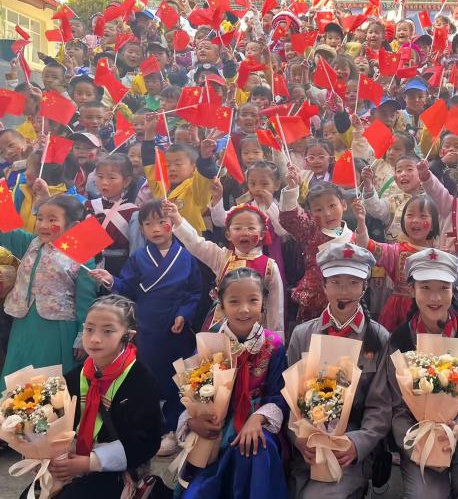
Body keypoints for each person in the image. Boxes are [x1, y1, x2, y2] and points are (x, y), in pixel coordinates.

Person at [88, 199, 202, 456]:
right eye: (148, 224)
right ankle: (149, 427)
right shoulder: (138, 258)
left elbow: (194, 291)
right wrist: (110, 280)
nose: (156, 229)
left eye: (162, 222)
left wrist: (184, 314)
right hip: (148, 326)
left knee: (177, 378)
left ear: (173, 223)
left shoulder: (186, 256)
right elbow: (127, 288)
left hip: (175, 328)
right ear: (141, 229)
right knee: (147, 376)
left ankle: (172, 428)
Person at [386, 248, 458, 499]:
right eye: (425, 288)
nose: (435, 297)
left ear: (453, 290)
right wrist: (419, 442)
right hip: (418, 438)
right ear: (412, 290)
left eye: (444, 288)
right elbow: (396, 406)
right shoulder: (400, 340)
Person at [287, 242, 392, 498]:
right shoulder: (302, 334)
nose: (344, 291)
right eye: (335, 282)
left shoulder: (379, 338)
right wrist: (297, 438)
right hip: (307, 443)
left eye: (353, 283)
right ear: (323, 286)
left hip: (349, 445)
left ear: (364, 287)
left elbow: (380, 406)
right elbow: (289, 398)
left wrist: (358, 444)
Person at [177, 268, 289, 499]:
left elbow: (279, 395)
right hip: (216, 425)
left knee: (258, 451)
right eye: (234, 301)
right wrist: (193, 421)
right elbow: (192, 390)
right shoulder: (208, 341)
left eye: (253, 300)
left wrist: (257, 419)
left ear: (263, 302)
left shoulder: (274, 345)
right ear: (221, 304)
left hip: (257, 424)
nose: (244, 309)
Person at [39, 296, 163, 498]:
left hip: (119, 470)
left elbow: (147, 440)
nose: (95, 338)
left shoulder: (140, 379)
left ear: (128, 335)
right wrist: (45, 456)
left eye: (107, 331)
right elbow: (54, 422)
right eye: (89, 329)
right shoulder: (74, 377)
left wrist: (90, 462)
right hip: (73, 461)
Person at [0, 195, 97, 389]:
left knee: (49, 384)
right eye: (40, 218)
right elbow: (5, 227)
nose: (43, 225)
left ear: (73, 225)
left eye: (52, 220)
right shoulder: (30, 243)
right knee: (16, 378)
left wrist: (82, 335)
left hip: (58, 328)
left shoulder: (83, 254)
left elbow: (86, 299)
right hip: (24, 324)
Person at [166, 200, 284, 336]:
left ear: (262, 234)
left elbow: (276, 309)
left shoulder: (270, 267)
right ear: (228, 235)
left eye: (251, 228)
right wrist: (177, 219)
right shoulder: (222, 257)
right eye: (237, 228)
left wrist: (276, 341)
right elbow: (197, 244)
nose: (244, 232)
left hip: (254, 334)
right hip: (221, 331)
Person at [354, 195, 439, 332]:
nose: (415, 220)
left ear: (434, 223)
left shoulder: (440, 256)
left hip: (429, 311)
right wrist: (361, 221)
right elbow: (366, 245)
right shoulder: (395, 251)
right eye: (410, 215)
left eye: (423, 216)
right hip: (397, 314)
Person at [279, 170, 355, 322]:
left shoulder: (353, 236)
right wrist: (292, 188)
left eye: (332, 205)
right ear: (310, 213)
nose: (327, 213)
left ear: (344, 205)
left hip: (344, 297)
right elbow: (289, 219)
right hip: (314, 301)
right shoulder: (310, 230)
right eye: (319, 209)